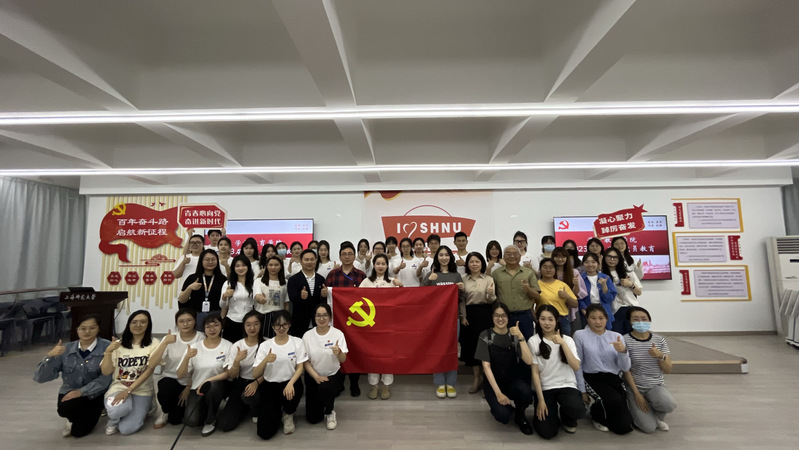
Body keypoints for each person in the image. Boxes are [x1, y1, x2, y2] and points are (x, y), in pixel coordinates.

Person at [34, 314, 111, 438]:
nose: (87, 332)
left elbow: (106, 378)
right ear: (77, 330)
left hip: (95, 394)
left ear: (98, 329)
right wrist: (49, 356)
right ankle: (72, 417)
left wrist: (81, 392)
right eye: (83, 328)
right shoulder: (66, 349)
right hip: (70, 391)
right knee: (64, 409)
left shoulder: (107, 347)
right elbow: (40, 378)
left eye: (92, 328)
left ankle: (99, 409)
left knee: (79, 432)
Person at [100, 310, 167, 435]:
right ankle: (113, 421)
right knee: (117, 411)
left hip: (142, 391)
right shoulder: (118, 344)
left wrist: (128, 390)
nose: (138, 325)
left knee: (127, 429)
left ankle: (146, 407)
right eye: (134, 322)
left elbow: (150, 369)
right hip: (118, 388)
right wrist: (108, 352)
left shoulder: (154, 343)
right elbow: (106, 371)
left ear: (148, 324)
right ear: (129, 324)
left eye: (143, 322)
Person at [475, 302, 534, 435]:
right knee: (503, 415)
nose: (500, 319)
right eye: (497, 315)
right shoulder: (485, 336)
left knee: (526, 392)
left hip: (512, 380)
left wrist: (521, 337)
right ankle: (505, 408)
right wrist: (498, 393)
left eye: (503, 315)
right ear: (492, 317)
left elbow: (529, 360)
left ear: (508, 317)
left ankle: (520, 415)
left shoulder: (514, 334)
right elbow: (486, 367)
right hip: (493, 383)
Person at [574, 304, 633, 434]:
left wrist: (623, 352)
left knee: (625, 425)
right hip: (592, 377)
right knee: (611, 400)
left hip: (613, 378)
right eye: (593, 318)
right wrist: (582, 390)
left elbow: (625, 367)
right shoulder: (580, 335)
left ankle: (608, 414)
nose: (598, 322)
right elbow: (578, 364)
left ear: (607, 318)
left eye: (601, 318)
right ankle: (597, 416)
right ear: (587, 319)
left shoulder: (616, 336)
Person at [528, 305, 583, 439]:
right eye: (543, 319)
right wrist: (540, 400)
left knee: (577, 409)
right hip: (546, 388)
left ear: (557, 320)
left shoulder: (568, 340)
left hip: (567, 385)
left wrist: (562, 344)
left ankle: (567, 418)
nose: (547, 323)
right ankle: (552, 416)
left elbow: (576, 366)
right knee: (547, 432)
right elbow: (535, 373)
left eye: (550, 319)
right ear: (538, 320)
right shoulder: (533, 341)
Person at [252, 310, 307, 440]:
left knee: (294, 391)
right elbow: (255, 374)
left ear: (289, 325)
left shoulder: (297, 342)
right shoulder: (265, 345)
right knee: (264, 433)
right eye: (277, 325)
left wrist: (290, 383)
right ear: (272, 326)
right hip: (270, 385)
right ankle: (276, 412)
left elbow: (300, 367)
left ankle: (288, 414)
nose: (281, 328)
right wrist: (265, 360)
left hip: (290, 383)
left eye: (284, 324)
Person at [177, 312, 233, 437]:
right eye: (208, 326)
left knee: (213, 388)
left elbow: (228, 373)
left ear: (221, 326)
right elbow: (180, 374)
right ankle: (205, 411)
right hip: (196, 388)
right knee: (191, 421)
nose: (212, 329)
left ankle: (210, 420)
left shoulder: (228, 345)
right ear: (204, 329)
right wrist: (186, 358)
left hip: (218, 386)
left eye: (216, 325)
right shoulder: (194, 347)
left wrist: (207, 381)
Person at [622, 306, 676, 433]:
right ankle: (637, 409)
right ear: (630, 322)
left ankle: (653, 414)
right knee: (648, 428)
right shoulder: (624, 340)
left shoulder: (659, 340)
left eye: (644, 319)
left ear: (649, 320)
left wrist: (660, 356)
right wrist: (637, 394)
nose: (640, 322)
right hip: (635, 387)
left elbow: (668, 369)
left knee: (669, 404)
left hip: (655, 385)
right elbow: (625, 370)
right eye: (636, 319)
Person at [422, 245, 464, 398]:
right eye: (441, 255)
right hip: (436, 320)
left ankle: (451, 383)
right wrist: (428, 281)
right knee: (437, 349)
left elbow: (461, 299)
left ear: (450, 257)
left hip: (453, 319)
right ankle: (440, 382)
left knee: (452, 349)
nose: (444, 257)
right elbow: (421, 295)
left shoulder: (456, 276)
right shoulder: (432, 274)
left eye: (446, 255)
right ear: (437, 257)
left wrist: (462, 289)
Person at [325, 242, 367, 397]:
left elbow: (367, 299)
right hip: (338, 320)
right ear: (340, 256)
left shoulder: (361, 275)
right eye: (344, 254)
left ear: (354, 256)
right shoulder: (333, 275)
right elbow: (327, 297)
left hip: (357, 321)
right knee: (338, 349)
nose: (347, 257)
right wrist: (324, 293)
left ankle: (354, 383)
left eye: (350, 254)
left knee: (354, 351)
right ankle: (340, 383)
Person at [360, 253, 402, 399]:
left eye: (383, 263)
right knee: (372, 355)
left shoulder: (392, 281)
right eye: (378, 263)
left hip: (389, 325)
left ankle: (386, 385)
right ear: (373, 265)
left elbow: (403, 300)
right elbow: (356, 298)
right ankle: (374, 385)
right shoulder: (366, 282)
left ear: (387, 265)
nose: (380, 266)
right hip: (370, 325)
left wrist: (401, 286)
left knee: (388, 355)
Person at [154, 308, 204, 428]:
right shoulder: (170, 338)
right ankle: (165, 412)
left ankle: (175, 411)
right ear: (177, 323)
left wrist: (188, 387)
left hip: (192, 382)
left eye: (189, 320)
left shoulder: (201, 338)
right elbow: (153, 362)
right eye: (181, 321)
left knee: (176, 419)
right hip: (171, 378)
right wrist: (165, 342)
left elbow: (200, 366)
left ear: (195, 321)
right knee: (166, 389)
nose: (185, 324)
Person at [217, 310, 264, 432]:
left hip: (261, 382)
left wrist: (256, 383)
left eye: (256, 324)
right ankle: (245, 406)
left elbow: (271, 371)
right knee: (225, 425)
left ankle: (254, 407)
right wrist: (237, 361)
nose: (252, 328)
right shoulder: (237, 345)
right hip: (241, 382)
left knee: (252, 397)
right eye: (248, 324)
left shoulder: (267, 343)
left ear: (261, 325)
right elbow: (232, 375)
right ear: (243, 326)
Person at [303, 303, 348, 430]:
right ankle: (322, 403)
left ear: (330, 317)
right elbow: (305, 361)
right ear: (314, 317)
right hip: (313, 376)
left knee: (325, 388)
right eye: (318, 315)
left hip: (332, 375)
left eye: (325, 315)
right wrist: (316, 377)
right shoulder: (307, 335)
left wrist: (339, 352)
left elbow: (343, 359)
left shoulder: (337, 334)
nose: (321, 319)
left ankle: (330, 411)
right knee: (313, 419)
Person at [460, 252, 496, 394]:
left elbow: (492, 300)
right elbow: (462, 300)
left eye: (477, 261)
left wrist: (491, 293)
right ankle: (477, 378)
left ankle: (488, 382)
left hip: (485, 315)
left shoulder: (488, 279)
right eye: (471, 262)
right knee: (472, 348)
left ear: (482, 263)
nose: (474, 264)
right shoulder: (463, 280)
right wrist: (463, 316)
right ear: (467, 264)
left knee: (486, 348)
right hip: (469, 316)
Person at [491, 245, 540, 340]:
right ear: (504, 257)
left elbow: (537, 296)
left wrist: (528, 289)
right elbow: (492, 295)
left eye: (515, 254)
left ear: (520, 256)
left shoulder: (529, 273)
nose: (512, 256)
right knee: (505, 344)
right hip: (504, 316)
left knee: (527, 342)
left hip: (525, 315)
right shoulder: (496, 274)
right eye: (509, 254)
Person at [179, 249, 227, 329]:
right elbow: (181, 300)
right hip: (196, 316)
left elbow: (225, 303)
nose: (210, 262)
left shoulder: (223, 279)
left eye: (213, 259)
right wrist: (190, 288)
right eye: (207, 260)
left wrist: (222, 319)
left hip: (216, 316)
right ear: (201, 261)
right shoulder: (192, 278)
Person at [287, 249, 329, 338]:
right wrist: (300, 296)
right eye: (306, 260)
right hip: (300, 322)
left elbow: (323, 302)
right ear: (301, 261)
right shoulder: (293, 279)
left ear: (316, 261)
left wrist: (323, 295)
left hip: (318, 322)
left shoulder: (321, 279)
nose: (309, 262)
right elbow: (292, 298)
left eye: (312, 259)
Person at [602, 247, 642, 335]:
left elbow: (639, 292)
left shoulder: (629, 273)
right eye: (609, 257)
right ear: (604, 258)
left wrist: (630, 284)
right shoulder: (602, 275)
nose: (612, 260)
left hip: (631, 308)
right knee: (618, 337)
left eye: (615, 257)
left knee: (634, 336)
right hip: (614, 310)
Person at [535, 258, 578, 336]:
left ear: (555, 270)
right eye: (545, 267)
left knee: (564, 342)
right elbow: (530, 306)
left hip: (562, 320)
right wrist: (536, 320)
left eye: (551, 267)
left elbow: (575, 304)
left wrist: (566, 296)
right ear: (540, 269)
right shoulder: (536, 285)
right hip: (544, 321)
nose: (548, 270)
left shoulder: (562, 285)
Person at [220, 254, 259, 341]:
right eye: (237, 266)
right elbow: (222, 305)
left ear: (248, 267)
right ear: (233, 268)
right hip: (232, 320)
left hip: (250, 322)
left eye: (243, 265)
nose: (240, 268)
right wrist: (224, 296)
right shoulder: (228, 283)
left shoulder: (254, 283)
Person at [578, 253, 617, 330]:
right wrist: (586, 312)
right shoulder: (580, 278)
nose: (590, 265)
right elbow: (579, 298)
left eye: (593, 262)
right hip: (587, 311)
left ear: (598, 263)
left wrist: (604, 286)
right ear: (583, 264)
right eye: (587, 262)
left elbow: (609, 299)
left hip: (604, 310)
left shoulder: (605, 277)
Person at [255, 255, 289, 338]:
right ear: (266, 266)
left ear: (281, 266)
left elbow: (286, 302)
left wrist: (286, 317)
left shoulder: (285, 282)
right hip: (263, 315)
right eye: (270, 265)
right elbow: (257, 295)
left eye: (276, 265)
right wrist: (261, 299)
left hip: (279, 316)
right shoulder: (259, 281)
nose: (273, 267)